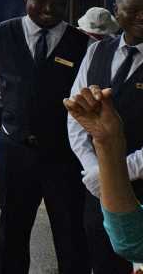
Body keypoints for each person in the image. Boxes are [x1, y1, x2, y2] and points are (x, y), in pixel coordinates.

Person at [0, 0, 90, 274]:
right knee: (12, 228)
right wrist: (18, 103)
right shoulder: (0, 34)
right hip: (15, 151)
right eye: (40, 0)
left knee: (71, 233)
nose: (48, 9)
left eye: (58, 3)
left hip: (64, 156)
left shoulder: (84, 44)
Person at [68, 0, 143, 273]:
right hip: (97, 189)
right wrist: (94, 169)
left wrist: (111, 173)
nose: (141, 16)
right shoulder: (96, 51)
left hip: (137, 188)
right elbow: (75, 115)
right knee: (101, 260)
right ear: (116, 11)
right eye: (133, 8)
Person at [66, 85, 143, 264]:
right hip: (106, 196)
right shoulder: (91, 64)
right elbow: (132, 243)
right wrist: (106, 145)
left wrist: (105, 172)